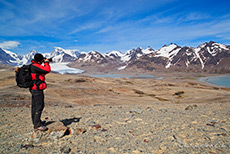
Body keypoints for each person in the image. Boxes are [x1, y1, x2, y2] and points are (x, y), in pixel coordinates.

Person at [30, 53, 51, 131]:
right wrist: (46, 63)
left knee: (35, 106)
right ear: (39, 60)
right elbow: (47, 70)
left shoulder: (33, 65)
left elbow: (43, 72)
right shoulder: (35, 66)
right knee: (39, 106)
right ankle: (37, 125)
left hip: (34, 88)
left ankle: (36, 122)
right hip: (37, 89)